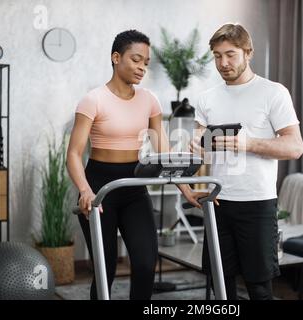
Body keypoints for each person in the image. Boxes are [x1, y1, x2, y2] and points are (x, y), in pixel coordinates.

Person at [66, 30, 202, 300]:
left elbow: (164, 153)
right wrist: (84, 190)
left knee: (144, 263)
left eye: (146, 63)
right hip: (99, 188)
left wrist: (187, 191)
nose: (142, 68)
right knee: (105, 271)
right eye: (136, 60)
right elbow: (74, 153)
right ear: (116, 58)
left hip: (134, 185)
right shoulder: (93, 100)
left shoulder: (149, 100)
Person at [189, 23, 303, 300]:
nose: (223, 63)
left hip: (257, 203)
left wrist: (248, 143)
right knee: (220, 282)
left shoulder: (273, 92)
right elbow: (199, 152)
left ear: (248, 53)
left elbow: (295, 146)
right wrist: (195, 148)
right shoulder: (207, 98)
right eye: (217, 56)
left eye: (230, 54)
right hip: (217, 201)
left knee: (259, 288)